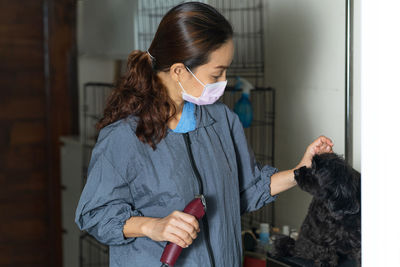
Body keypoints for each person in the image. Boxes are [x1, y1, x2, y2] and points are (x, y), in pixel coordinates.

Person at [75, 2, 334, 267]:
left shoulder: (221, 120)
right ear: (178, 71)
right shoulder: (123, 137)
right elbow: (94, 214)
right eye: (217, 73)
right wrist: (153, 227)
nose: (225, 80)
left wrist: (301, 171)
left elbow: (246, 191)